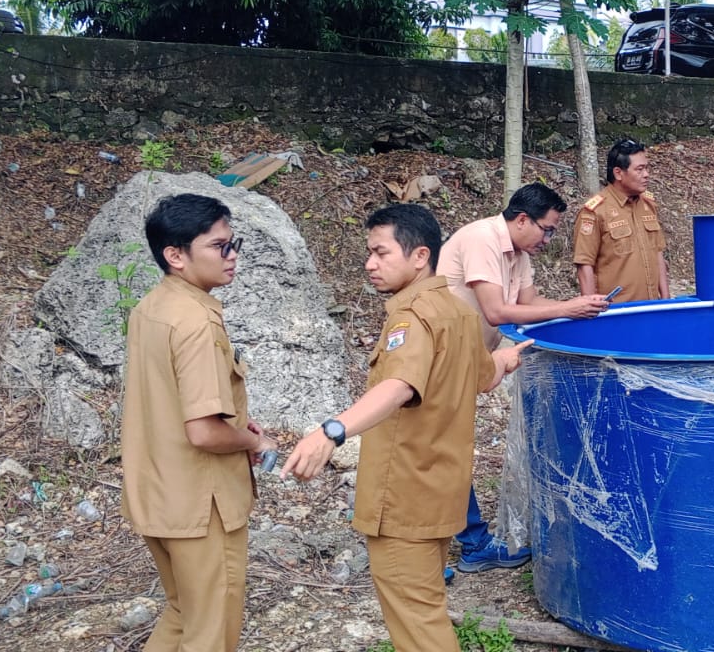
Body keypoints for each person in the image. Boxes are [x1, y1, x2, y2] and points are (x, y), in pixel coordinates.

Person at [281, 204, 532, 652]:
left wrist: (331, 431)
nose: (369, 264)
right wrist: (506, 358)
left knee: (418, 626)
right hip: (441, 493)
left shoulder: (411, 317)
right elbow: (482, 376)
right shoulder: (456, 312)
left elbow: (399, 385)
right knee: (426, 608)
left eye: (381, 253)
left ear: (419, 256)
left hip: (404, 498)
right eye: (368, 253)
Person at [122, 193, 277, 652]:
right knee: (211, 630)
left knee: (183, 612)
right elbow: (204, 431)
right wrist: (254, 443)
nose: (232, 257)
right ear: (176, 255)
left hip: (158, 495)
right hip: (201, 505)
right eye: (218, 246)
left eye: (234, 244)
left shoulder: (152, 308)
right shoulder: (194, 322)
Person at [435, 182, 607, 572]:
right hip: (437, 358)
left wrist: (586, 309)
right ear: (523, 219)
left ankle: (458, 542)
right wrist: (570, 306)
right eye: (546, 229)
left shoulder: (519, 252)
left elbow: (530, 305)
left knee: (448, 451)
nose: (548, 238)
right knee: (440, 452)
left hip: (467, 359)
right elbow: (497, 312)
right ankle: (457, 546)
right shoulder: (482, 239)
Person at [574, 138, 671, 303]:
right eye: (639, 169)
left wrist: (666, 300)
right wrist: (591, 307)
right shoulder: (595, 211)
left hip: (651, 307)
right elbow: (585, 264)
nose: (646, 174)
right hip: (616, 313)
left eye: (647, 168)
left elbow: (658, 254)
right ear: (618, 173)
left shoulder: (649, 205)